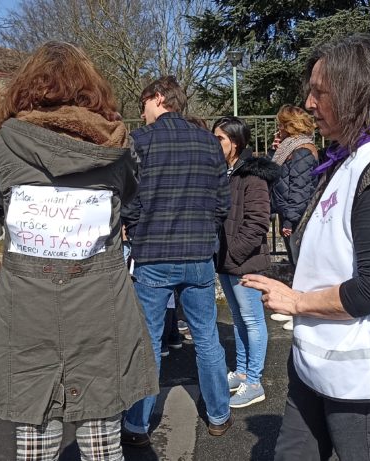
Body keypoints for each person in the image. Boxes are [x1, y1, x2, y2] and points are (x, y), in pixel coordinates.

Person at [242, 34, 370, 461]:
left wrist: (297, 301)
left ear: (355, 93)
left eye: (319, 92)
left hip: (363, 377)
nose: (308, 103)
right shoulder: (349, 158)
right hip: (320, 360)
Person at [0, 41, 157, 461]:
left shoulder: (1, 146)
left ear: (26, 89)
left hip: (27, 307)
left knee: (35, 440)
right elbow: (129, 193)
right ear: (90, 90)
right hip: (100, 304)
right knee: (102, 441)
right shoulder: (116, 149)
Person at [121, 76, 232, 446]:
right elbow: (222, 201)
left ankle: (137, 424)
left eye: (144, 104)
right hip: (199, 254)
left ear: (158, 98)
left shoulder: (140, 141)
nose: (142, 112)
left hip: (153, 255)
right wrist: (207, 233)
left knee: (147, 342)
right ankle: (219, 414)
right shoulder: (208, 142)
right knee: (206, 338)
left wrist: (134, 230)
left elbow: (129, 199)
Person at [212, 117, 280, 408]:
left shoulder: (252, 176)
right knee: (238, 319)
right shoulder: (225, 173)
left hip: (244, 262)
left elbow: (257, 224)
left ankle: (254, 381)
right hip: (227, 261)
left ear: (235, 143)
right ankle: (241, 372)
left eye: (220, 139)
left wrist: (233, 254)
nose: (215, 144)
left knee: (252, 321)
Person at [268, 105, 320, 331]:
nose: (278, 128)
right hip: (288, 212)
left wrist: (289, 220)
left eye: (281, 123)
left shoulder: (302, 151)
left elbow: (300, 190)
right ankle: (294, 307)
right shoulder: (289, 148)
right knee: (295, 263)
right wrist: (274, 152)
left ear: (291, 125)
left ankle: (302, 312)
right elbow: (276, 175)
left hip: (298, 215)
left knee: (302, 264)